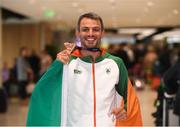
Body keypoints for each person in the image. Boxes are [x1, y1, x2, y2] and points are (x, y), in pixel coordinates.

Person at [27, 12, 142, 126]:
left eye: (96, 29)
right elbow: (43, 93)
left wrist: (125, 110)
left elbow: (130, 98)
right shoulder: (67, 62)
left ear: (102, 32)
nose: (90, 34)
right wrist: (55, 67)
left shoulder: (115, 63)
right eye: (85, 29)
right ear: (78, 33)